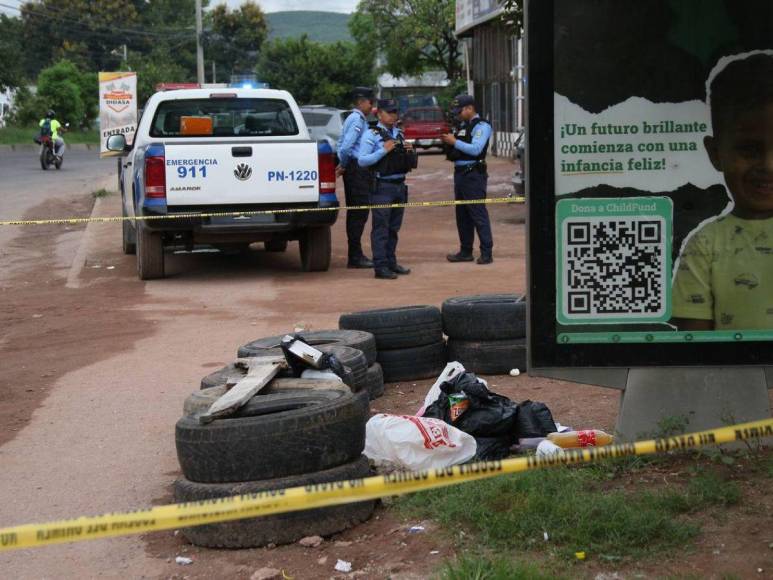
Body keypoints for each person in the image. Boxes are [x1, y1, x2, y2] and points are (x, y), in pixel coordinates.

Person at [671, 52, 773, 331]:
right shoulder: (703, 248)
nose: (768, 165)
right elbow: (695, 350)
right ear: (716, 153)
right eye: (750, 150)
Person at [357, 99, 417, 280]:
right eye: (389, 112)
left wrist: (409, 150)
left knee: (393, 228)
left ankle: (391, 261)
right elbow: (362, 160)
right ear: (379, 114)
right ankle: (380, 266)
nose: (393, 115)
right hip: (382, 187)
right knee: (381, 228)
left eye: (395, 112)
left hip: (399, 185)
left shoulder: (398, 132)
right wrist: (383, 150)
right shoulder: (371, 135)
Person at [441, 94, 494, 265]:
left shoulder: (482, 126)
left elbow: (476, 149)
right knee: (462, 214)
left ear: (470, 108)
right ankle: (465, 251)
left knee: (478, 214)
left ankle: (486, 252)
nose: (458, 115)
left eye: (460, 111)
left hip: (473, 174)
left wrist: (454, 142)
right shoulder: (463, 126)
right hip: (460, 173)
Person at [337, 87, 375, 268]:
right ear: (361, 102)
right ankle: (355, 256)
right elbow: (345, 147)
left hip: (356, 168)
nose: (372, 106)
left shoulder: (353, 118)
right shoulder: (357, 119)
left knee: (358, 212)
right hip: (356, 169)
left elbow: (341, 144)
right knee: (358, 212)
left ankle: (356, 254)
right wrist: (344, 165)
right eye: (370, 102)